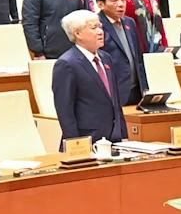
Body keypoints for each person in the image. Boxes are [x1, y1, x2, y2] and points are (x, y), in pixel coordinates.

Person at [50, 10, 129, 142]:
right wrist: (76, 145)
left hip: (114, 138)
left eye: (100, 27)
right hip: (87, 140)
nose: (100, 31)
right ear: (77, 33)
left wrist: (124, 135)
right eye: (94, 28)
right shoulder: (66, 64)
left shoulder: (106, 58)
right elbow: (65, 112)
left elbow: (115, 101)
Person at [95, 0, 145, 107]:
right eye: (114, 0)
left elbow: (138, 57)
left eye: (123, 0)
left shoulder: (130, 22)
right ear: (101, 4)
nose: (121, 4)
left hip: (137, 90)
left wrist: (144, 86)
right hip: (114, 90)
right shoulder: (96, 25)